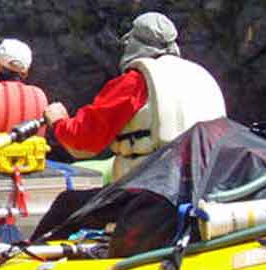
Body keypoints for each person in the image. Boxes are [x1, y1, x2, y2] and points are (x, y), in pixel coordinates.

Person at [43, 12, 226, 181]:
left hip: (151, 187)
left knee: (66, 206)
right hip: (207, 183)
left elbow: (83, 141)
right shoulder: (199, 75)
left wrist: (59, 121)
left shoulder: (135, 82)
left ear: (133, 43)